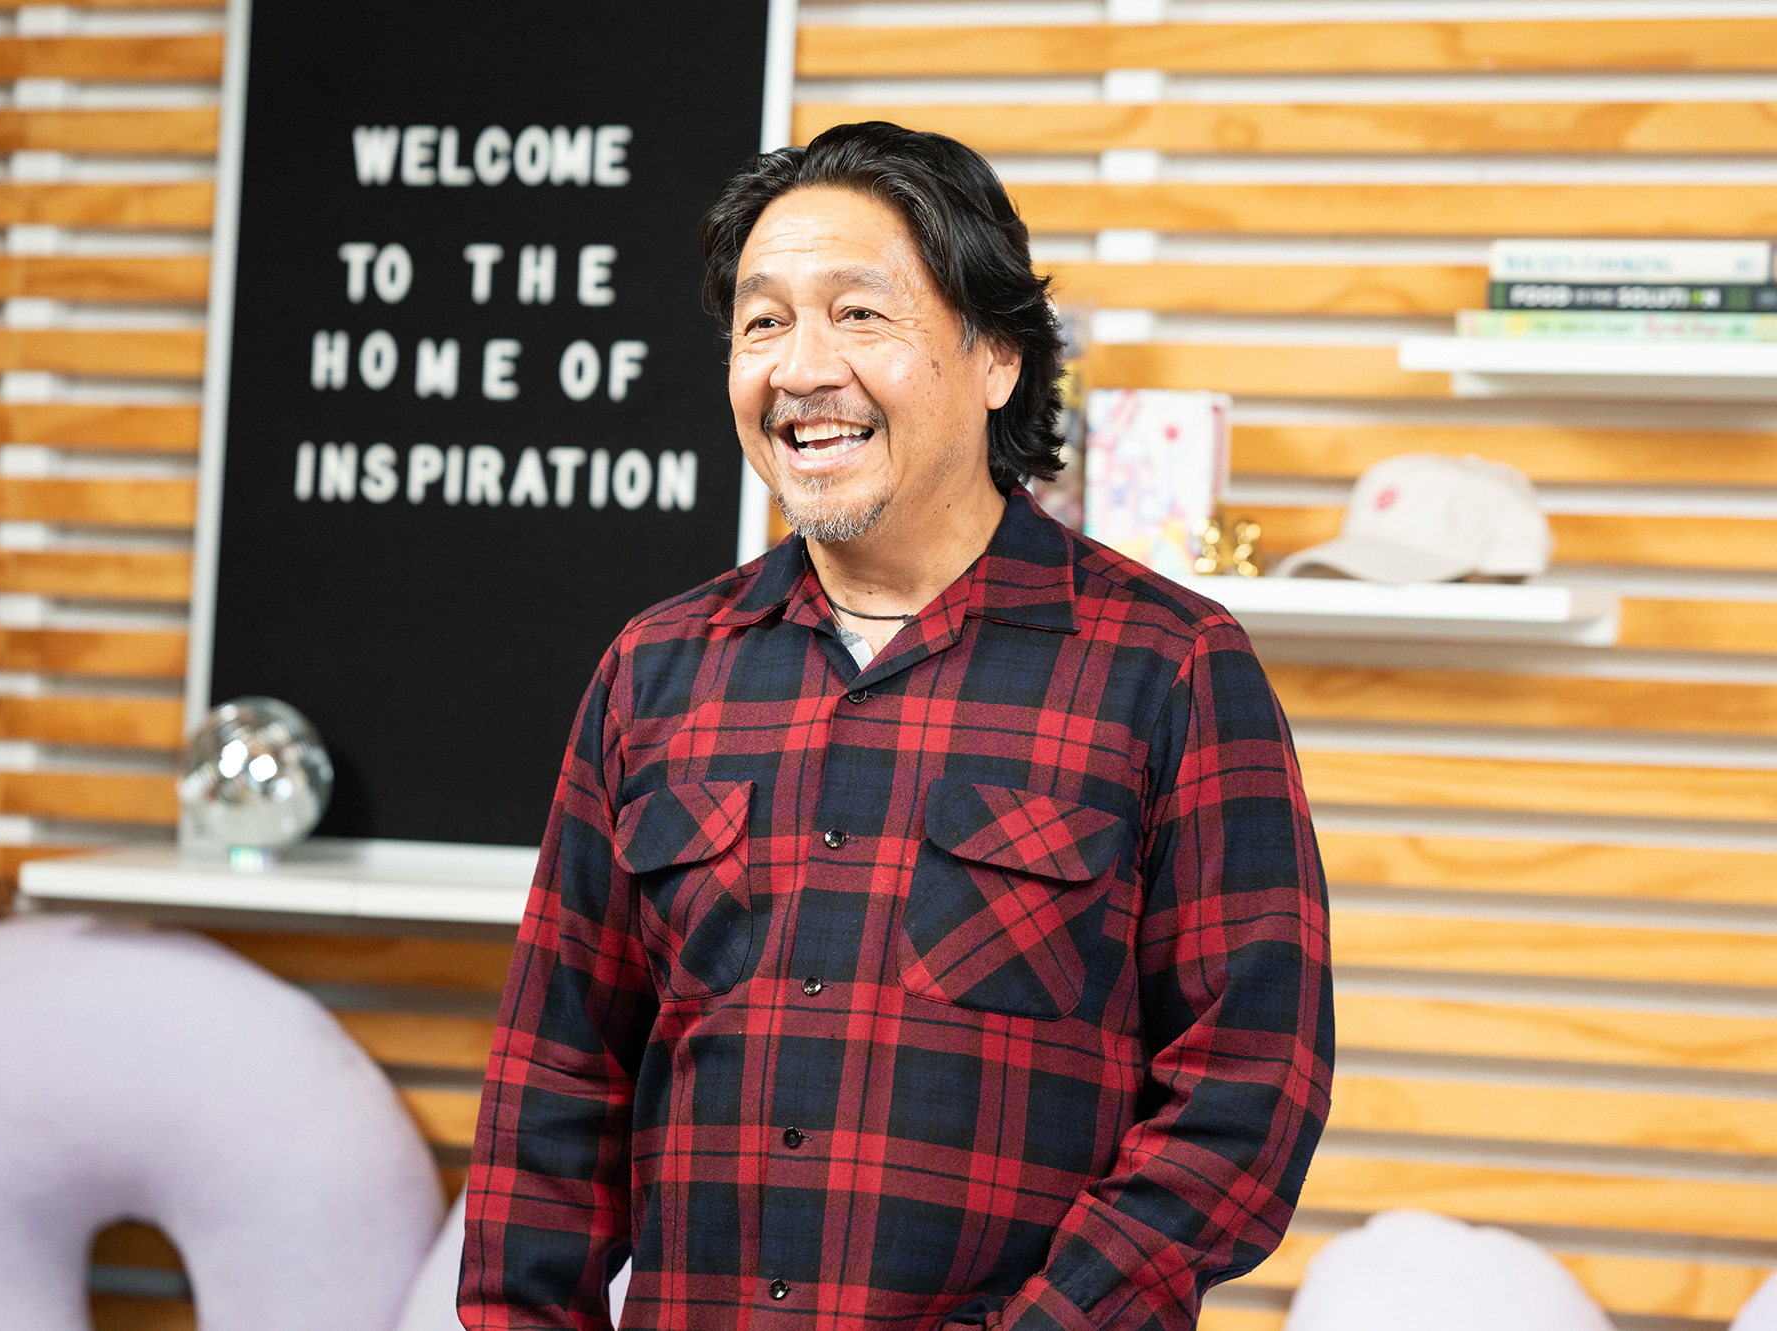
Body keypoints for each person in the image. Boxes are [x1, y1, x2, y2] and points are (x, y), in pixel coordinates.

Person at [460, 121, 1333, 1331]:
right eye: (763, 322)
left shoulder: (1170, 669)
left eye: (859, 313)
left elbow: (1246, 1092)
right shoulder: (653, 671)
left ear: (997, 357)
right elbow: (553, 1087)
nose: (800, 367)